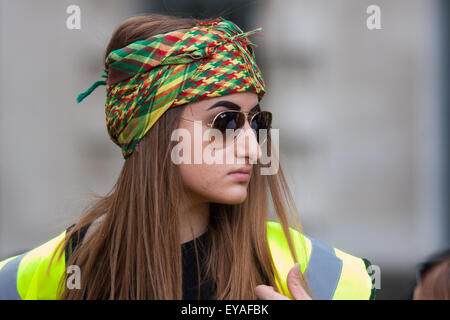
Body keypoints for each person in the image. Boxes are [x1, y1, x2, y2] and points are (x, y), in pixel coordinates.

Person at [0, 14, 376, 300]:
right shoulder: (41, 276)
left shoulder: (323, 274)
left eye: (257, 121)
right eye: (226, 121)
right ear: (154, 131)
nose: (254, 147)